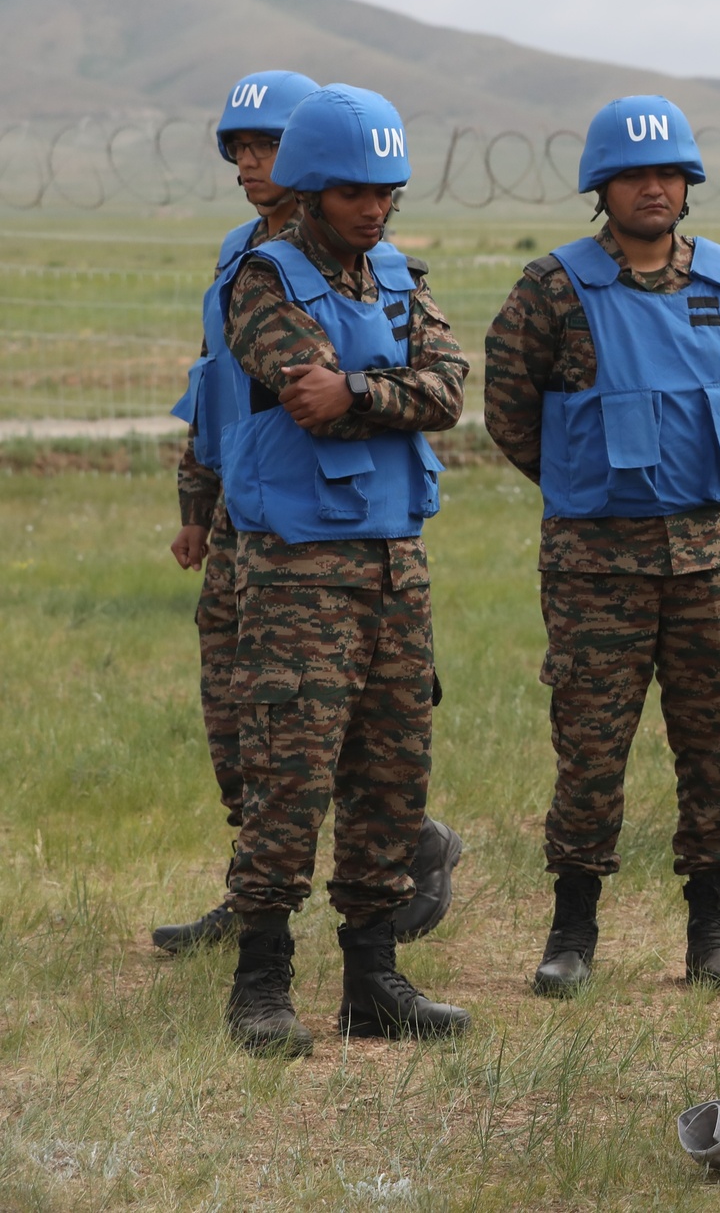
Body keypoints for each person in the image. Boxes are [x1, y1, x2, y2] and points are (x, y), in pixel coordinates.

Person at [484, 96, 720, 997]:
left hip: (710, 564)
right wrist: (581, 482)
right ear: (601, 188)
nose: (654, 187)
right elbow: (508, 410)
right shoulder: (552, 289)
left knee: (719, 745)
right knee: (591, 751)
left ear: (689, 186)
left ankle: (712, 932)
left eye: (669, 173)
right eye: (635, 175)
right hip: (594, 568)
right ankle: (572, 934)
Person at [216, 84, 469, 1057]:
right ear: (316, 186)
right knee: (288, 778)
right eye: (357, 192)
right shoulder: (265, 279)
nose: (374, 210)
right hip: (296, 571)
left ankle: (373, 983)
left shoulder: (401, 280)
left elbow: (446, 389)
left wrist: (362, 387)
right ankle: (260, 985)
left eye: (388, 193)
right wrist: (381, 392)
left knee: (391, 775)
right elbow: (301, 390)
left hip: (394, 564)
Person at [155, 69, 318, 954]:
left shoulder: (335, 256)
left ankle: (406, 848)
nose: (252, 164)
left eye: (271, 148)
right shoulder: (234, 252)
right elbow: (211, 385)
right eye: (243, 149)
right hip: (235, 523)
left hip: (306, 524)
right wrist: (194, 504)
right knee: (232, 720)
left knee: (302, 721)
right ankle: (248, 890)